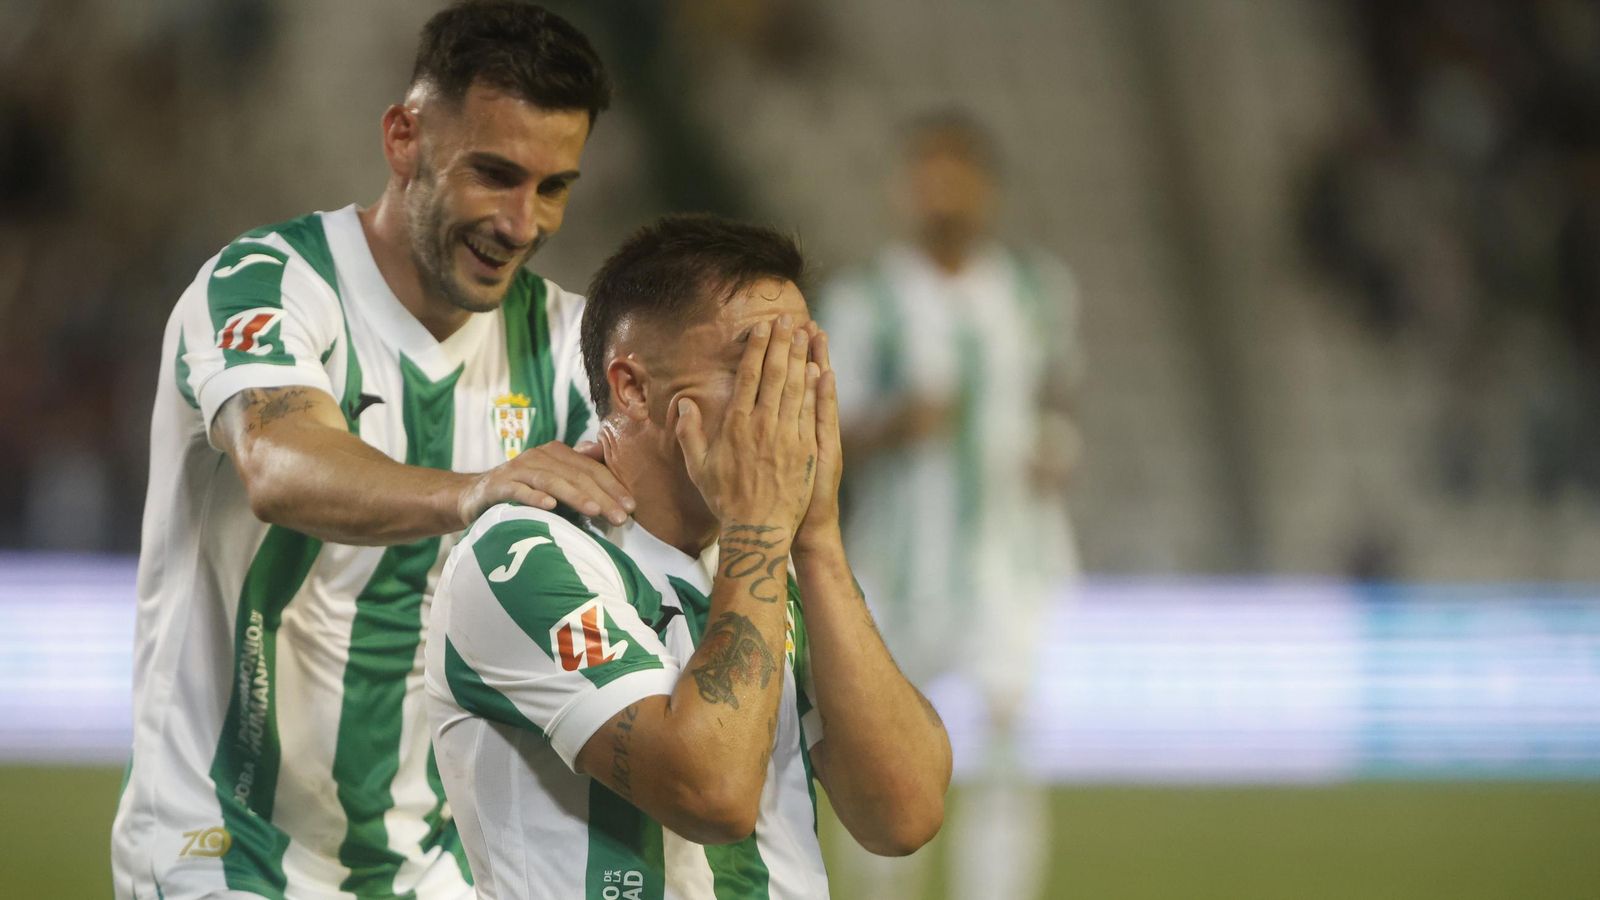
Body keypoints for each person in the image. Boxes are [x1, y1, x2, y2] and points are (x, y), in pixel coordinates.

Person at [111, 4, 636, 898]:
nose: (521, 222)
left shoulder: (566, 339)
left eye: (553, 188)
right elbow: (278, 464)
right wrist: (473, 491)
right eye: (496, 174)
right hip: (223, 848)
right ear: (404, 138)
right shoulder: (268, 284)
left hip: (427, 864)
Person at [424, 214, 952, 899]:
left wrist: (817, 540)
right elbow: (712, 792)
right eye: (755, 366)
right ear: (634, 388)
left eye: (801, 366)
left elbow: (903, 814)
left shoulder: (770, 567)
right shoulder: (527, 558)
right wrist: (761, 526)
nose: (787, 402)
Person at [818, 110, 1084, 900]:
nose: (942, 192)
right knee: (883, 764)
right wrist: (898, 422)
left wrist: (1054, 444)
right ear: (904, 189)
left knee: (1006, 750)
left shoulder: (1038, 290)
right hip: (898, 567)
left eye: (956, 173)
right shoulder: (866, 299)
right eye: (926, 174)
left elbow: (1056, 391)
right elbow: (830, 430)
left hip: (1010, 560)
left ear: (985, 186)